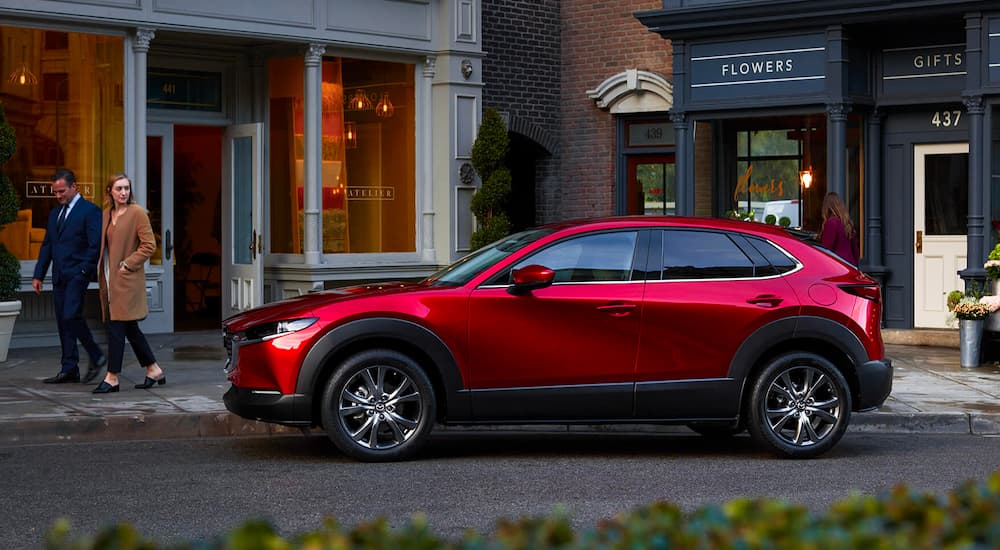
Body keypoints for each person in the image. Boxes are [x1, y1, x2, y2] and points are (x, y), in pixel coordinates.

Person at [32, 168, 107, 384]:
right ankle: (69, 368)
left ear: (74, 187)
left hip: (77, 275)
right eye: (55, 192)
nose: (58, 196)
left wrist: (83, 270)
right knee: (63, 322)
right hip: (58, 276)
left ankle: (96, 355)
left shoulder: (90, 211)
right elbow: (48, 245)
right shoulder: (55, 213)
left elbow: (95, 246)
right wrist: (38, 274)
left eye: (61, 191)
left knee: (70, 315)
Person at [92, 173, 165, 393]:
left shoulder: (137, 213)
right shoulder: (106, 214)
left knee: (116, 327)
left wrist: (127, 264)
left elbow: (149, 245)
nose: (123, 193)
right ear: (109, 192)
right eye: (119, 189)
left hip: (127, 279)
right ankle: (153, 369)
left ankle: (112, 376)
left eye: (126, 188)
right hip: (108, 278)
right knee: (130, 328)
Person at [818, 192, 860, 266]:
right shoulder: (847, 223)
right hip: (850, 264)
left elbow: (826, 249)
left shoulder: (831, 223)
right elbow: (855, 250)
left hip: (838, 265)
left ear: (826, 207)